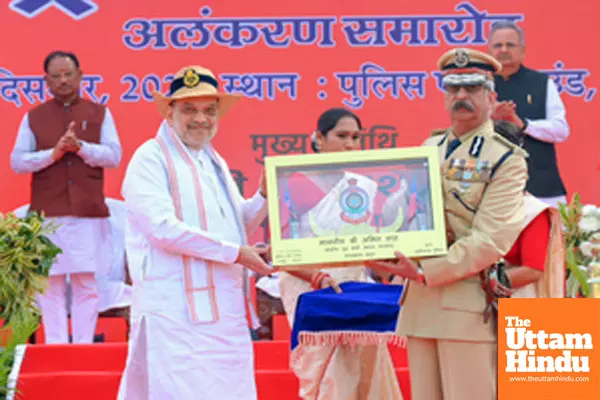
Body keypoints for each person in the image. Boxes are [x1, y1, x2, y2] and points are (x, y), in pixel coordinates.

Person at [367, 48, 528, 400]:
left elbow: (490, 240)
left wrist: (425, 270)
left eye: (472, 87)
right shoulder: (430, 146)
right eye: (453, 88)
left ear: (491, 95)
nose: (461, 96)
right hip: (420, 303)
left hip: (466, 307)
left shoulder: (506, 158)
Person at [117, 65, 272, 400]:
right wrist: (234, 253)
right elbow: (162, 229)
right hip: (174, 313)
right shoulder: (150, 158)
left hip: (222, 310)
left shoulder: (212, 161)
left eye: (209, 111)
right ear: (169, 112)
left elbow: (236, 227)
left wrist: (264, 196)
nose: (200, 119)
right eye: (189, 110)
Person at [279, 108, 405, 400]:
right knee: (330, 376)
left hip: (355, 285)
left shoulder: (363, 187)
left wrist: (398, 266)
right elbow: (281, 249)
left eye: (355, 137)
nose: (350, 144)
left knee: (366, 367)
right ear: (319, 138)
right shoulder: (295, 182)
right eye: (341, 136)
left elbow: (372, 244)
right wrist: (317, 278)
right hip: (310, 286)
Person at [10, 50, 122, 344]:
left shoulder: (100, 113)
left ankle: (84, 347)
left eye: (68, 74)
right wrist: (55, 153)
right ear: (46, 81)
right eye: (56, 76)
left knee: (87, 282)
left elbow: (113, 156)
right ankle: (57, 347)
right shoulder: (34, 117)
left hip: (87, 212)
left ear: (80, 75)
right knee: (51, 285)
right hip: (48, 216)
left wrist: (81, 147)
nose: (63, 81)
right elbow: (17, 162)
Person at [489, 20, 570, 208]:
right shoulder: (479, 86)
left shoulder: (541, 82)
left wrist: (522, 124)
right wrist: (487, 117)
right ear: (490, 51)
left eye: (510, 45)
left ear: (523, 50)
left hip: (541, 185)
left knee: (554, 236)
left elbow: (562, 130)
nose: (503, 50)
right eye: (498, 45)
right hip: (492, 186)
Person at [491, 121, 566, 298]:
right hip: (469, 307)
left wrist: (486, 285)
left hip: (517, 306)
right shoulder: (470, 203)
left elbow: (532, 270)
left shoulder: (532, 211)